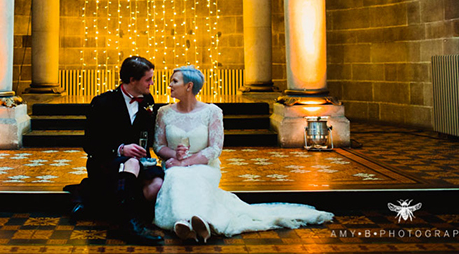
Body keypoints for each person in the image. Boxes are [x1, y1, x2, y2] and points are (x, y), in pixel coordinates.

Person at [153, 66, 333, 242]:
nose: (170, 85)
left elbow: (215, 148)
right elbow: (158, 145)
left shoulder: (212, 112)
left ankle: (201, 220)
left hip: (203, 164)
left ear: (189, 86)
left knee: (198, 177)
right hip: (174, 164)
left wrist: (187, 162)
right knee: (176, 177)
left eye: (174, 81)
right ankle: (184, 221)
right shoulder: (164, 112)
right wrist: (174, 154)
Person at [80, 56, 165, 245]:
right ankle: (129, 226)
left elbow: (147, 136)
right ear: (132, 80)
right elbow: (90, 144)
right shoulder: (102, 102)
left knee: (157, 184)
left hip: (138, 164)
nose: (152, 83)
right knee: (131, 162)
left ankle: (118, 213)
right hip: (106, 161)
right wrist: (120, 149)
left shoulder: (147, 101)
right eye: (148, 79)